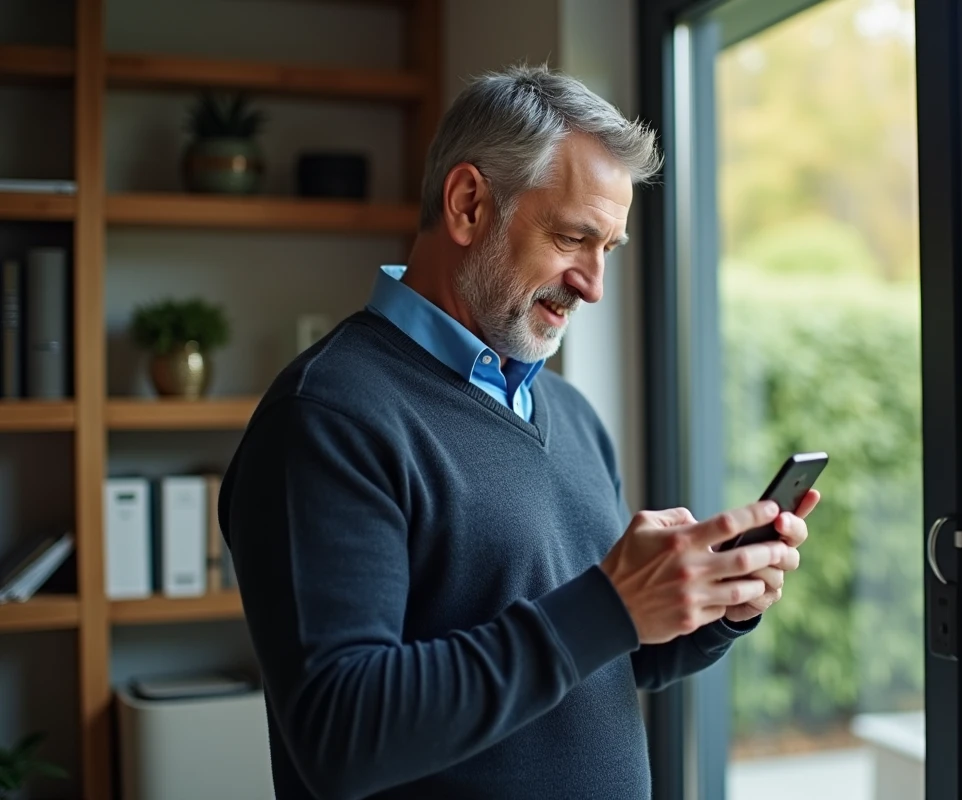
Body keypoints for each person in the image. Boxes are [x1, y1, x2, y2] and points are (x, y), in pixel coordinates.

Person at [218, 63, 820, 800]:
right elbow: (341, 734)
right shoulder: (325, 416)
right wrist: (610, 606)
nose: (593, 285)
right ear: (468, 204)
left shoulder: (570, 414)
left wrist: (711, 605)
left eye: (608, 249)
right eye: (573, 238)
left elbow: (598, 659)